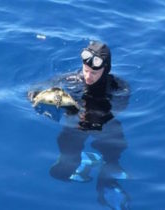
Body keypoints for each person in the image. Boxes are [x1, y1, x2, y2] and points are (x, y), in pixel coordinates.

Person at [29, 41, 131, 209]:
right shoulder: (73, 79)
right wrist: (37, 97)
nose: (88, 77)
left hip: (104, 124)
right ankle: (78, 161)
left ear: (106, 69)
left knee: (115, 150)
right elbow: (34, 89)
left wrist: (95, 118)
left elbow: (120, 106)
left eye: (94, 72)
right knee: (63, 167)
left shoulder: (118, 87)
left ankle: (107, 181)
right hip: (76, 122)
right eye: (86, 70)